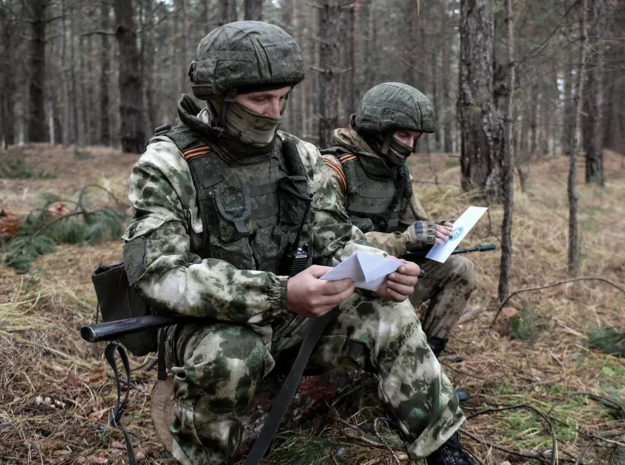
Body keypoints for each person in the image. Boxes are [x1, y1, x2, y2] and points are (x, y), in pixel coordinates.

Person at [121, 22, 474, 465]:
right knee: (234, 354)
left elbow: (336, 238)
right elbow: (158, 272)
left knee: (390, 311)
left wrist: (379, 270)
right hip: (204, 325)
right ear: (219, 96)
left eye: (283, 98)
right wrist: (278, 293)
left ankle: (445, 450)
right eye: (259, 100)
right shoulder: (169, 162)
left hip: (291, 315)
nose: (273, 112)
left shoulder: (299, 157)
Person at [321, 82, 477, 358]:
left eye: (415, 138)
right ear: (376, 130)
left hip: (389, 275)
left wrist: (437, 232)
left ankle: (429, 356)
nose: (410, 146)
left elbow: (415, 225)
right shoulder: (333, 171)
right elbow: (330, 245)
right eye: (403, 135)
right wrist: (404, 240)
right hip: (341, 287)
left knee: (460, 268)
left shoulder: (399, 174)